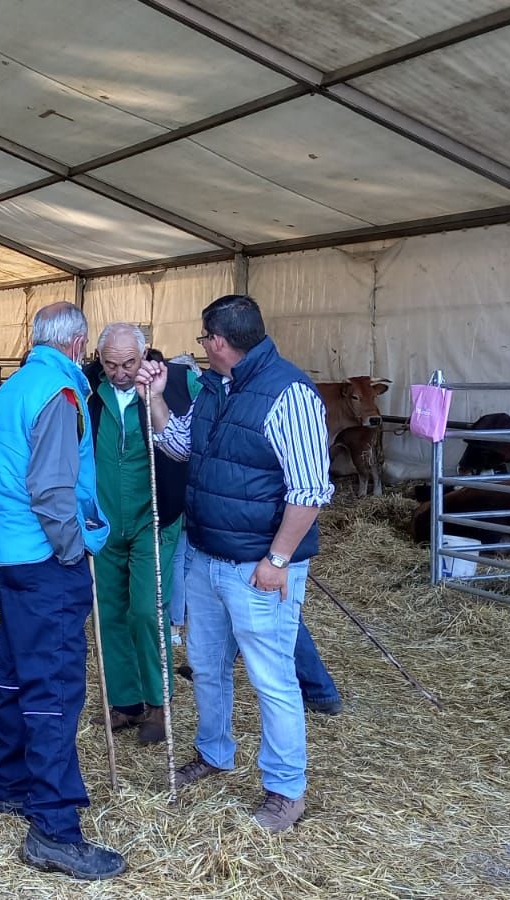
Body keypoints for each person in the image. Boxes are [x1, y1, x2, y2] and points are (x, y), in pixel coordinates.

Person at [139, 294, 333, 834]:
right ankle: (214, 752)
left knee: (272, 677)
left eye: (203, 339)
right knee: (206, 662)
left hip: (257, 566)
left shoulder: (288, 392)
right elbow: (179, 446)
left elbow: (312, 489)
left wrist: (278, 559)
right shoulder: (212, 388)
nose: (201, 348)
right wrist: (157, 399)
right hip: (205, 554)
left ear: (218, 342)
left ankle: (285, 789)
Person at [0, 302, 123, 881]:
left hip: (13, 553)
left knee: (17, 672)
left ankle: (11, 784)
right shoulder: (61, 395)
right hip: (46, 557)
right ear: (79, 342)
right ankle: (54, 829)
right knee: (56, 687)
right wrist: (74, 548)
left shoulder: (19, 384)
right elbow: (50, 489)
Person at [84, 324, 198, 747]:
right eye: (111, 364)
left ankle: (158, 700)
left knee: (147, 613)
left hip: (155, 518)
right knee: (109, 612)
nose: (120, 372)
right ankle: (125, 700)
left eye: (129, 363)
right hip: (106, 523)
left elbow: (191, 438)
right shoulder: (89, 394)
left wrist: (159, 398)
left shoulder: (176, 384)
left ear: (144, 353)